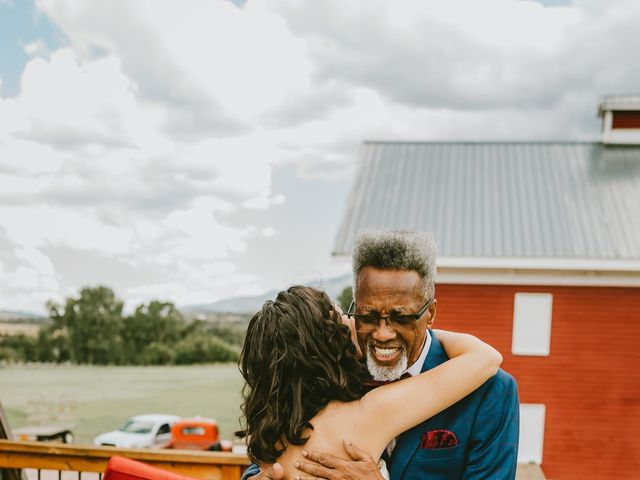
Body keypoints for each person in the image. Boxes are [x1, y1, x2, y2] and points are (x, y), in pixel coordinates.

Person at [244, 230, 520, 480]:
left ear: (430, 313)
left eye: (401, 317)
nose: (383, 334)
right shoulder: (357, 397)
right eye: (366, 316)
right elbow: (260, 472)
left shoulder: (492, 391)